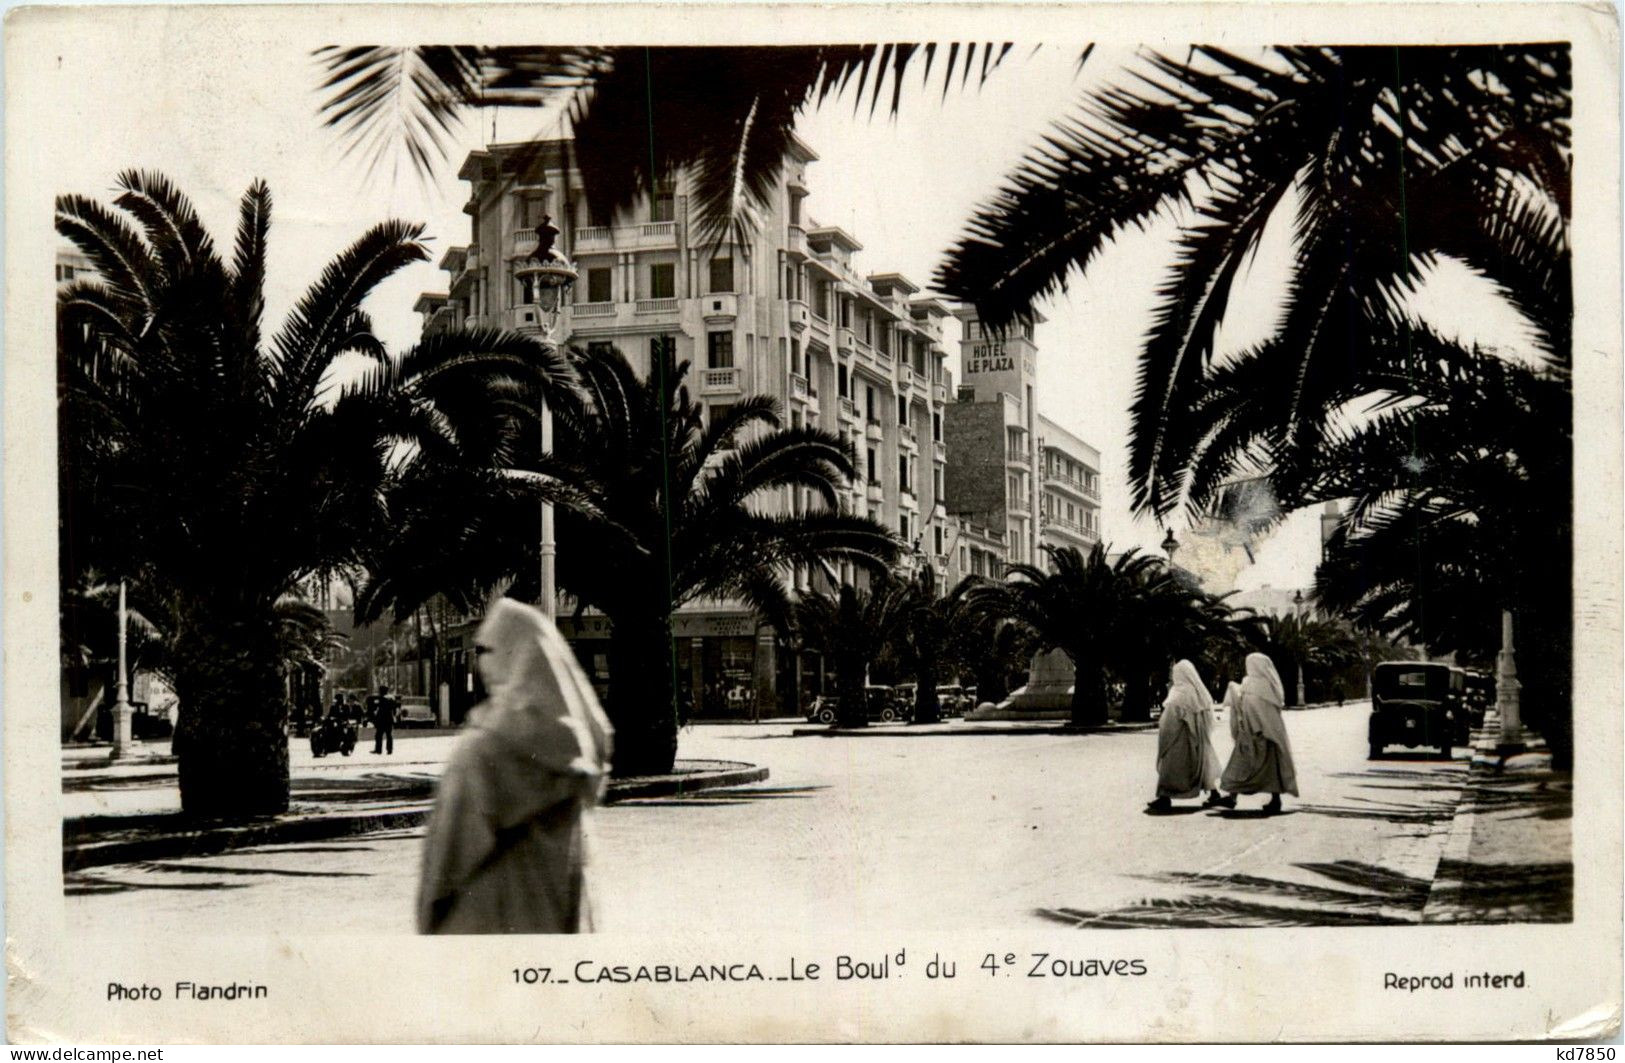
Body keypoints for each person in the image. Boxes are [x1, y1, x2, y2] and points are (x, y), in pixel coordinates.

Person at [417, 598, 613, 934]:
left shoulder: (483, 751)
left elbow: (446, 863)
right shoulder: (576, 751)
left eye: (486, 651)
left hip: (487, 930)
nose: (482, 663)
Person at [1218, 653, 1299, 814]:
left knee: (1241, 766)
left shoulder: (1255, 686)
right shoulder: (1263, 686)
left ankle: (1234, 797)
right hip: (1264, 735)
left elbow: (1257, 710)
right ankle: (1236, 797)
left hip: (1253, 734)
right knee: (1267, 769)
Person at [1147, 660, 1223, 812]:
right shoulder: (1197, 693)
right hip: (1196, 740)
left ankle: (1164, 798)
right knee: (1202, 767)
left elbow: (1169, 721)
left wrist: (1164, 740)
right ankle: (1214, 793)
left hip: (1178, 740)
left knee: (1170, 769)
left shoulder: (1178, 694)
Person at [369, 684, 398, 754]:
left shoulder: (381, 698)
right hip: (389, 719)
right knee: (389, 735)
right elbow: (394, 708)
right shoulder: (392, 698)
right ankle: (389, 750)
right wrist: (394, 716)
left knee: (378, 735)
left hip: (382, 719)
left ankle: (378, 749)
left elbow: (378, 709)